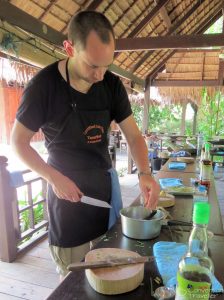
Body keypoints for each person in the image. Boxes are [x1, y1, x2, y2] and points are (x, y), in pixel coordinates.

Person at [11, 11, 160, 278]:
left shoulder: (112, 85)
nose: (101, 75)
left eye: (107, 64)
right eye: (93, 65)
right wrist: (53, 178)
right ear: (69, 49)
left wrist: (146, 173)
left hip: (105, 197)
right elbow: (18, 143)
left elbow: (135, 136)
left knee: (109, 274)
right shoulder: (43, 87)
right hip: (66, 199)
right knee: (74, 280)